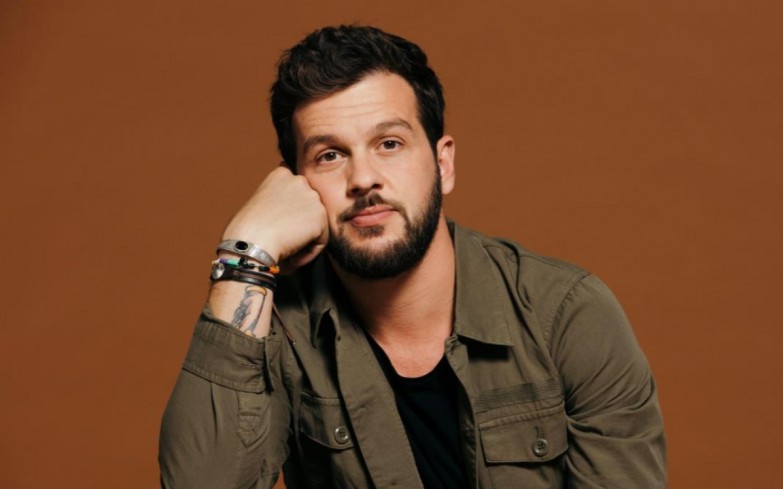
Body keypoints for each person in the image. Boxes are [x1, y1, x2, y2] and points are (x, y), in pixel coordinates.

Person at [159, 25, 667, 489]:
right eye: (329, 155)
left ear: (443, 164)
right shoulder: (276, 328)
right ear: (293, 186)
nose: (363, 179)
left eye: (389, 143)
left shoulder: (567, 315)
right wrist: (246, 252)